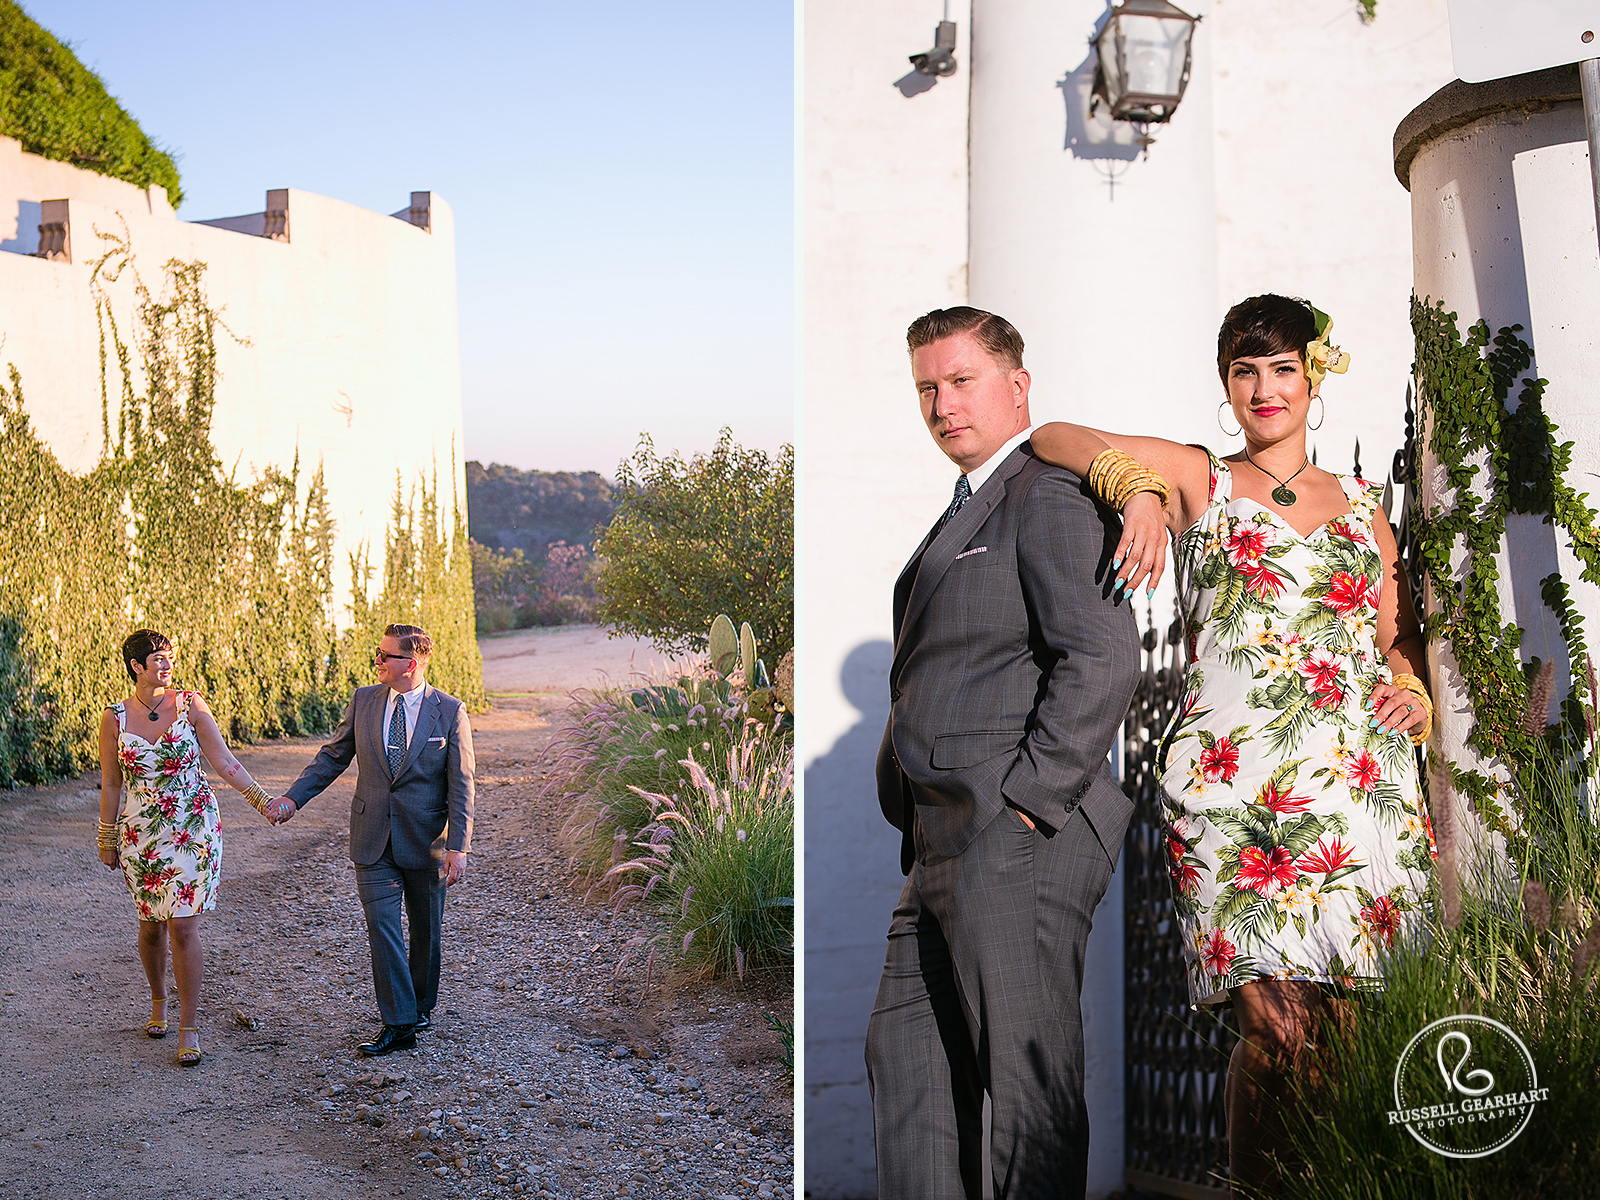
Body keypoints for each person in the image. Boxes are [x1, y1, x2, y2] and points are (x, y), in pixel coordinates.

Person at [1027, 293, 1436, 1195]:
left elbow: (1397, 637)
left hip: (1358, 790)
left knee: (1342, 1038)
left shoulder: (1366, 509)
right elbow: (1051, 435)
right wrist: (1134, 487)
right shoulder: (1200, 478)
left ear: (1313, 379)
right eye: (1244, 371)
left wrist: (1410, 688)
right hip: (1231, 793)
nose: (1264, 388)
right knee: (1277, 1029)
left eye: (1283, 368)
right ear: (1226, 385)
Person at [865, 306, 1141, 1200]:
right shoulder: (970, 503)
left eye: (961, 381)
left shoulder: (1046, 493)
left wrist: (1027, 803)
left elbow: (1101, 656)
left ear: (1017, 386)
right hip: (939, 839)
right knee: (907, 1068)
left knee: (1028, 1095)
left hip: (1012, 835)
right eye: (926, 388)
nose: (942, 404)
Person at [268, 622, 474, 1057]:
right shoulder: (363, 701)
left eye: (385, 655)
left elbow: (462, 784)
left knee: (426, 930)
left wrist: (459, 846)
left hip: (427, 841)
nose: (376, 661)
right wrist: (292, 798)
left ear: (411, 664)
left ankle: (420, 1006)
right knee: (382, 927)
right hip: (371, 836)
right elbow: (332, 757)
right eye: (377, 653)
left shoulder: (450, 711)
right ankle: (399, 1022)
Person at [97, 629, 286, 1066]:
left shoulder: (190, 705)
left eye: (170, 657)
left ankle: (189, 1026)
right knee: (151, 925)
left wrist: (263, 802)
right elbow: (111, 783)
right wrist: (106, 837)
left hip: (193, 826)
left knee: (182, 925)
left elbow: (224, 761)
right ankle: (158, 1001)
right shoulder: (114, 718)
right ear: (136, 666)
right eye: (158, 659)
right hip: (141, 834)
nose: (167, 665)